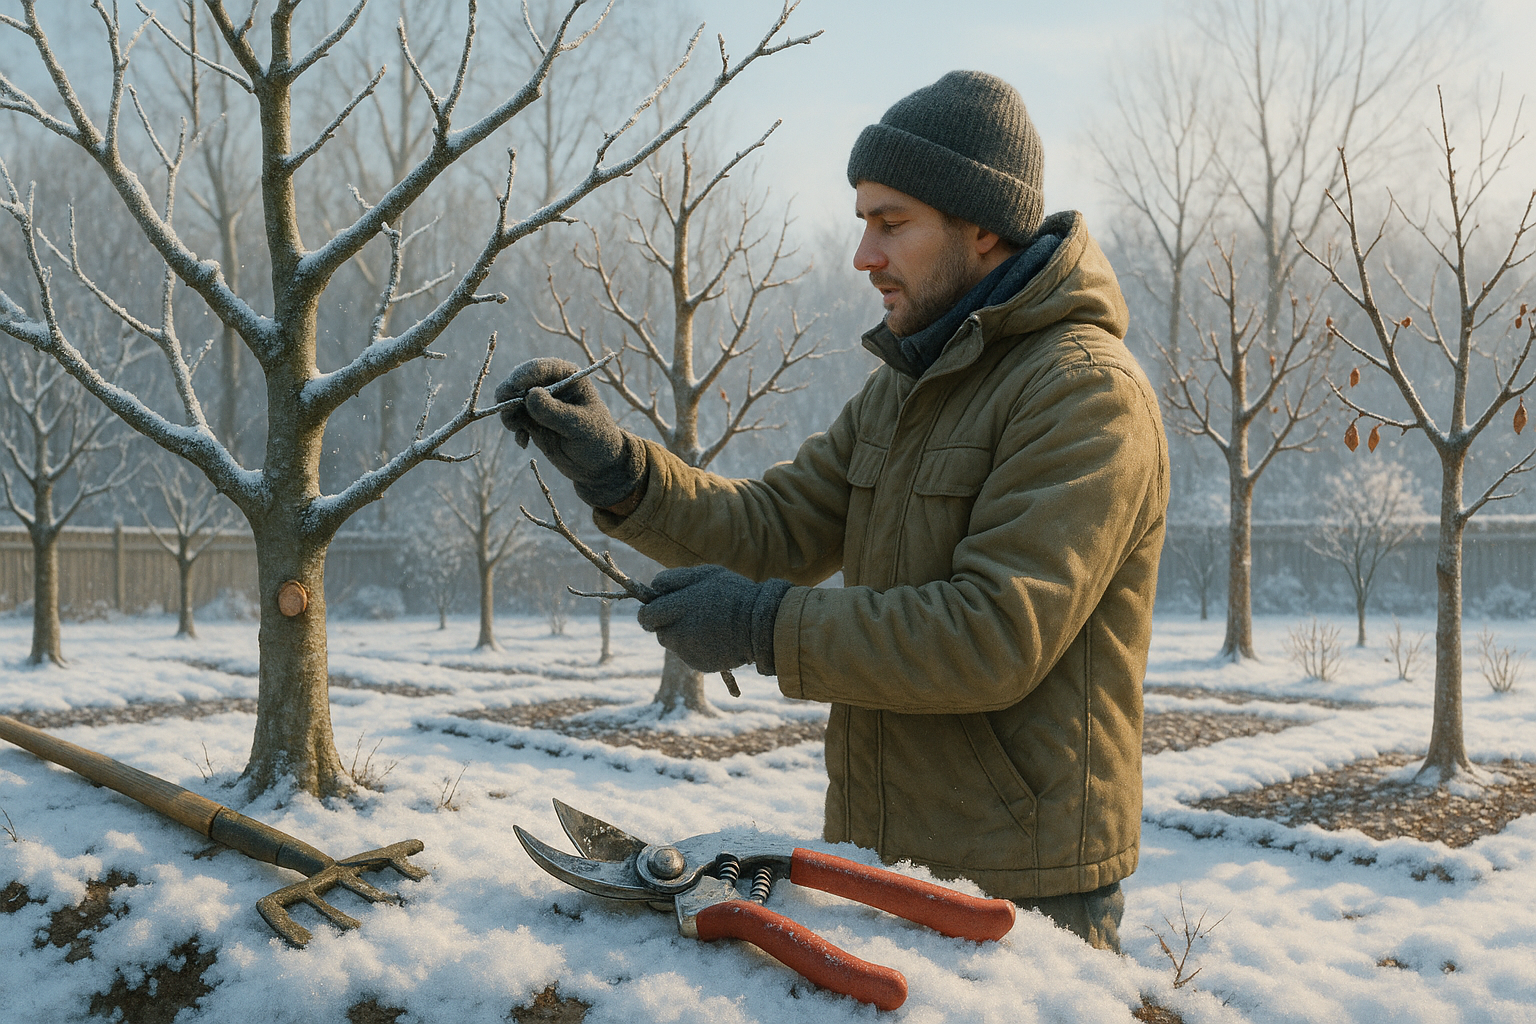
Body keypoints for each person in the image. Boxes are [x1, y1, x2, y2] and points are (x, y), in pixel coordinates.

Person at [496, 70, 1169, 953]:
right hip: (879, 864)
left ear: (983, 227)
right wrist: (617, 470)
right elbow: (777, 527)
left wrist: (760, 623)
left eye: (892, 224)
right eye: (863, 223)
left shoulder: (1083, 393)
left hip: (1022, 894)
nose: (864, 256)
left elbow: (993, 636)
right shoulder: (906, 391)